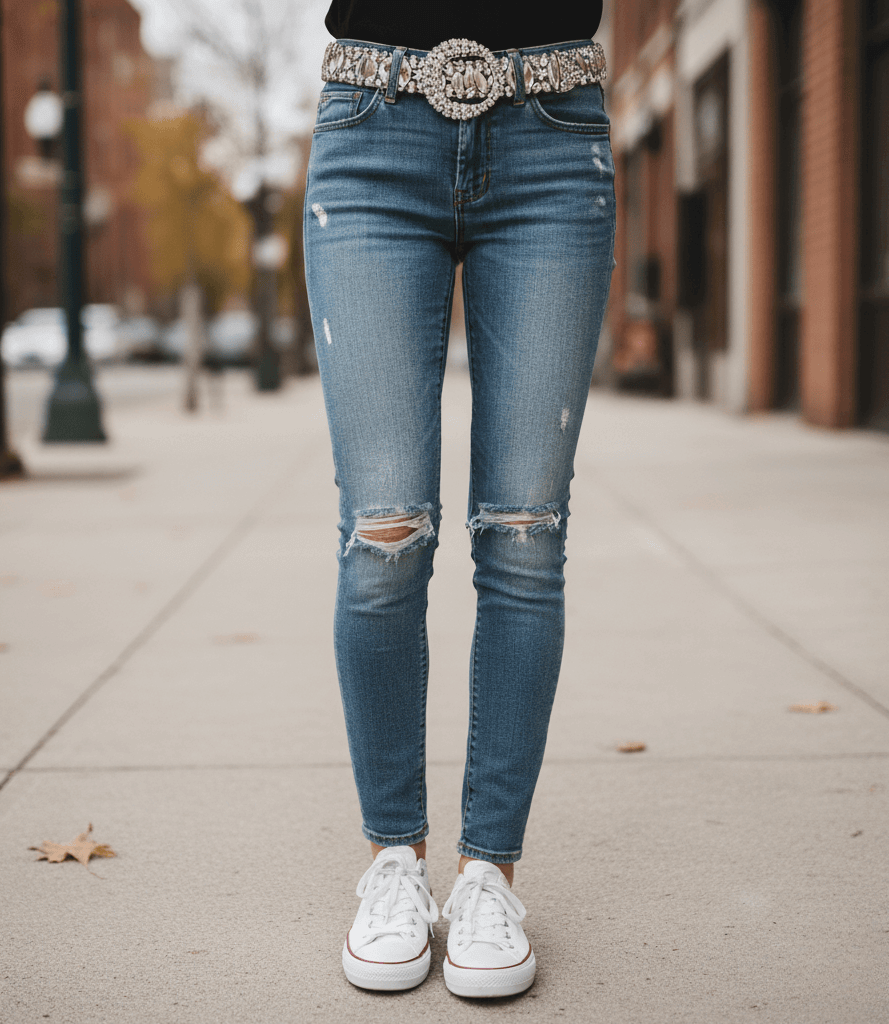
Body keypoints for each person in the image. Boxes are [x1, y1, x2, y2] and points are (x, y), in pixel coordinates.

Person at [303, 1, 613, 999]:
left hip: (553, 135)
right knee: (382, 532)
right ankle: (394, 859)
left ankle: (489, 872)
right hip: (371, 129)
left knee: (525, 535)